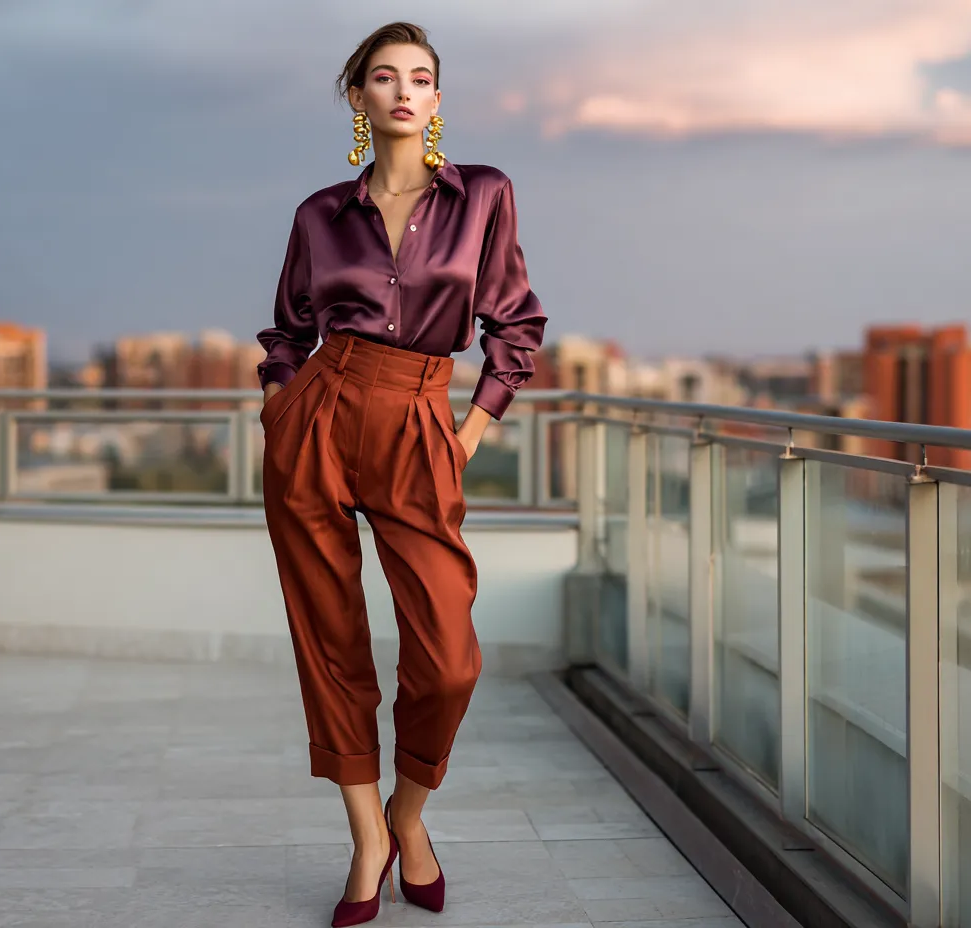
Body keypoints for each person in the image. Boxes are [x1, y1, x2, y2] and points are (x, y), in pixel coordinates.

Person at [255, 21, 546, 927]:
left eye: (421, 78)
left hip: (422, 418)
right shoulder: (318, 215)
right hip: (319, 417)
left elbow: (517, 322)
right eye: (384, 78)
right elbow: (285, 332)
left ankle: (406, 815)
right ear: (359, 100)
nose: (404, 92)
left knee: (449, 657)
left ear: (437, 99)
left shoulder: (483, 196)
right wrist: (279, 406)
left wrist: (471, 428)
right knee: (329, 639)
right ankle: (368, 839)